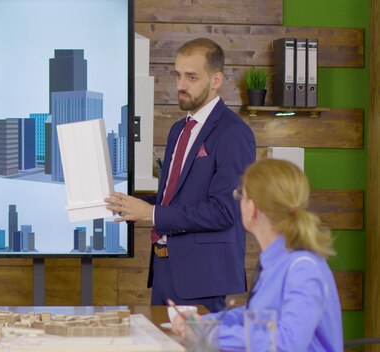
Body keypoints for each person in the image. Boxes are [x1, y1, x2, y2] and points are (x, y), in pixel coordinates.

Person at [105, 38, 256, 312]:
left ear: (216, 80)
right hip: (164, 271)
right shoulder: (178, 129)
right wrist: (126, 202)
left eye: (191, 77)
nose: (180, 85)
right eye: (177, 75)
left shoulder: (234, 133)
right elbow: (175, 196)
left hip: (204, 280)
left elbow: (224, 211)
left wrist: (150, 214)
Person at [171, 159, 343, 351]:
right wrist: (202, 323)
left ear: (252, 208)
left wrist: (210, 333)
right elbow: (254, 315)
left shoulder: (303, 267)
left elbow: (288, 342)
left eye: (240, 196)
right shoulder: (276, 261)